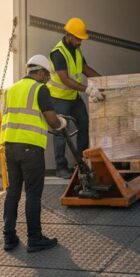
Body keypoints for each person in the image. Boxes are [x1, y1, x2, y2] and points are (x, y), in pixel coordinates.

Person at [0, 55, 67, 252]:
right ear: (39, 72)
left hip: (10, 146)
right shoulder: (40, 89)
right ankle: (35, 238)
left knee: (13, 191)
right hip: (30, 148)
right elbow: (52, 121)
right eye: (46, 75)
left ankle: (9, 238)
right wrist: (61, 122)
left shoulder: (10, 89)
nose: (47, 79)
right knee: (33, 194)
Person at [48, 17, 104, 179]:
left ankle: (81, 162)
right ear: (69, 35)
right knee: (60, 132)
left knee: (84, 124)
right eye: (78, 38)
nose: (81, 41)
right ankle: (61, 168)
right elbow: (65, 79)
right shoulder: (58, 53)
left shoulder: (77, 50)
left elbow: (85, 69)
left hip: (73, 97)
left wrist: (104, 81)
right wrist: (87, 89)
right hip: (58, 98)